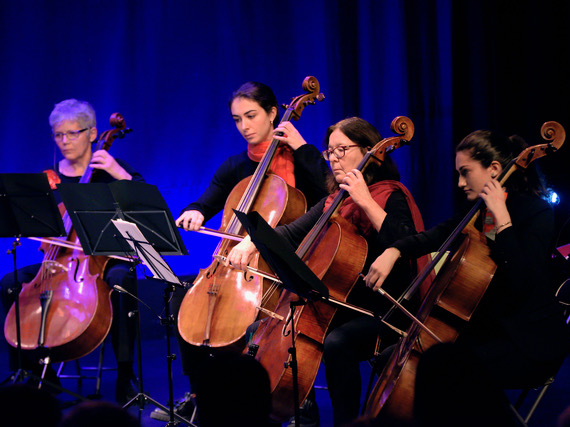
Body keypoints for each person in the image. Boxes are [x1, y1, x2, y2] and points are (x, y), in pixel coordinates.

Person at [227, 117, 428, 426]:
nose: (333, 157)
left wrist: (364, 199)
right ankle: (297, 414)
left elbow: (405, 243)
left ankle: (346, 422)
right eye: (329, 151)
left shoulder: (390, 194)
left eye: (341, 149)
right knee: (259, 329)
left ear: (368, 150)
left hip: (387, 310)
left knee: (338, 343)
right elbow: (292, 233)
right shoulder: (334, 200)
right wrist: (251, 242)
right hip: (343, 303)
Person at [150, 81, 330, 423]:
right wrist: (196, 211)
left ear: (273, 113)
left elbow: (328, 197)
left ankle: (298, 400)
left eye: (251, 116)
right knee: (184, 304)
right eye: (237, 120)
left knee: (264, 314)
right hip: (236, 262)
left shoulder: (301, 160)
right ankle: (200, 395)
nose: (244, 126)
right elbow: (209, 198)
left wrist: (304, 148)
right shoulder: (236, 165)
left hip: (287, 261)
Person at [365, 130, 570, 393]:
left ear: (494, 169)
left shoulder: (536, 212)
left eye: (466, 172)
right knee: (390, 359)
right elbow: (433, 237)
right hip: (487, 331)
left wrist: (503, 219)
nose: (461, 183)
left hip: (527, 340)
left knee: (443, 373)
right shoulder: (475, 212)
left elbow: (522, 279)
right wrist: (393, 251)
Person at [0, 98, 143, 403]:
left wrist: (120, 173)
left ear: (93, 133)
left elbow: (145, 204)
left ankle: (125, 376)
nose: (64, 141)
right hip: (59, 262)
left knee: (122, 283)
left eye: (72, 133)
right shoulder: (50, 179)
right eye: (58, 135)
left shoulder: (110, 168)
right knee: (9, 284)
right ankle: (40, 376)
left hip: (106, 258)